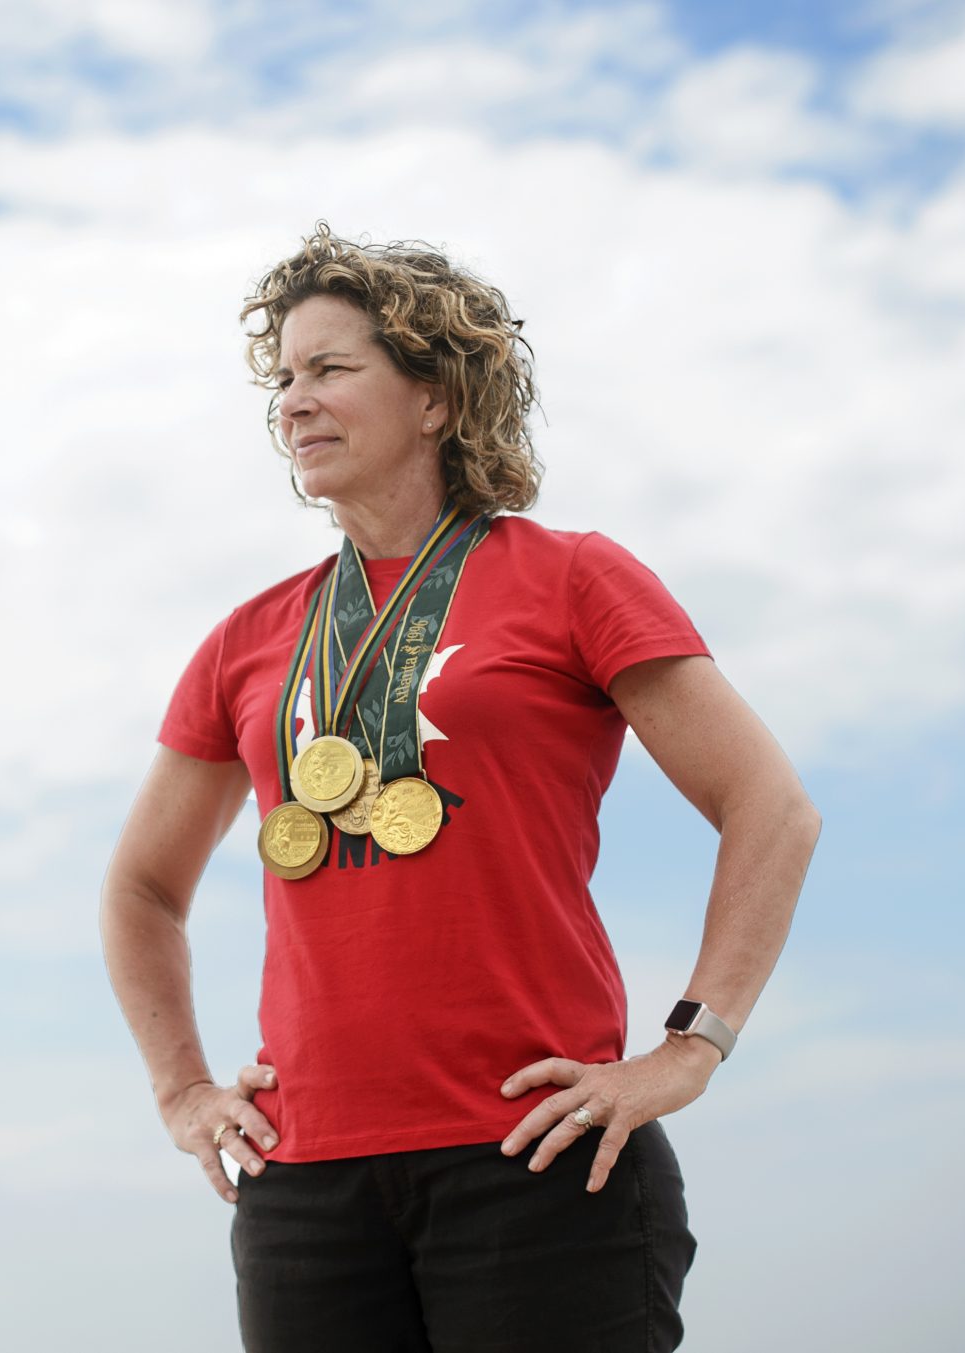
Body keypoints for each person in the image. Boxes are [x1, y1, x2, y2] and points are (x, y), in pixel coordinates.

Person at [100, 224, 821, 1352]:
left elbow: (770, 808)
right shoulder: (246, 638)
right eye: (283, 377)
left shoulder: (573, 578)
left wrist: (687, 1048)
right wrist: (183, 1089)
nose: (293, 401)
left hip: (535, 1162)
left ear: (434, 397)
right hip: (302, 1186)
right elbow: (141, 888)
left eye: (331, 369)